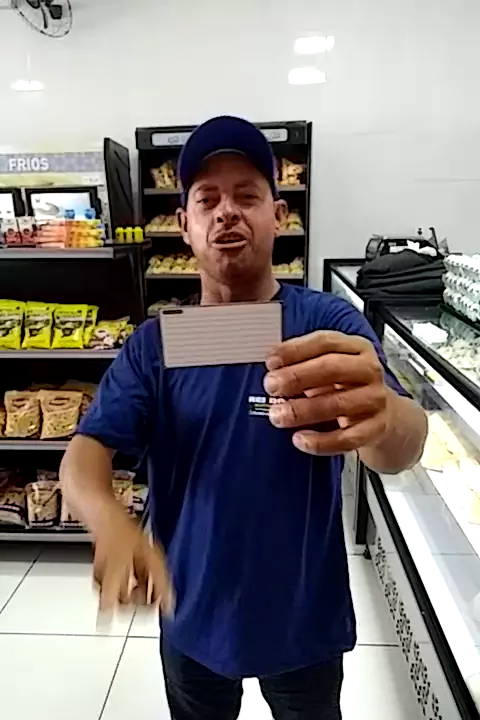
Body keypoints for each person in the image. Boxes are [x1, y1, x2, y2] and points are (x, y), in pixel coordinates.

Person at [60, 116, 427, 720]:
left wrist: (386, 415)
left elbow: (402, 447)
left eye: (247, 196)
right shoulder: (159, 344)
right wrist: (109, 521)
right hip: (191, 612)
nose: (227, 212)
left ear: (279, 216)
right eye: (207, 200)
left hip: (303, 617)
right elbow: (85, 452)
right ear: (185, 225)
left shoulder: (326, 324)